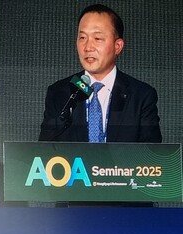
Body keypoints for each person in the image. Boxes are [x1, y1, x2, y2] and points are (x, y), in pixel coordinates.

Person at [39, 4, 162, 143]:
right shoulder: (59, 93)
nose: (88, 47)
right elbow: (44, 151)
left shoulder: (141, 96)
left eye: (97, 38)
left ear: (118, 46)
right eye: (82, 38)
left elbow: (150, 153)